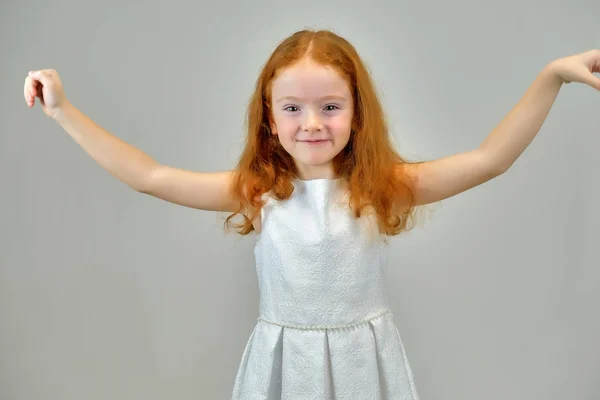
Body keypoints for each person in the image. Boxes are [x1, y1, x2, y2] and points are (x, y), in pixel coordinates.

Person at [23, 29, 600, 399]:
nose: (313, 123)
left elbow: (489, 159)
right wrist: (64, 111)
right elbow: (149, 176)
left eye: (330, 107)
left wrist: (552, 75)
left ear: (356, 114)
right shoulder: (260, 191)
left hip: (363, 366)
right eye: (293, 108)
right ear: (270, 119)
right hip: (283, 364)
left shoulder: (381, 188)